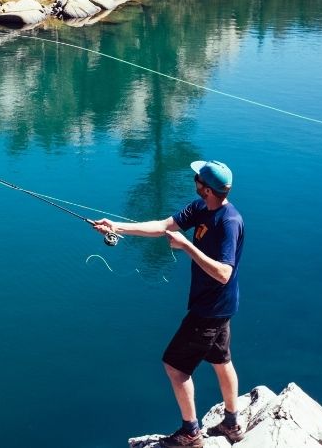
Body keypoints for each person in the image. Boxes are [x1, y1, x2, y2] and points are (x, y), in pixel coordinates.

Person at [93, 160, 246, 446]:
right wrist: (117, 227)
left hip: (210, 308)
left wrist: (187, 246)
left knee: (175, 367)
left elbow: (224, 273)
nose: (194, 179)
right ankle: (232, 423)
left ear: (207, 188)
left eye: (197, 177)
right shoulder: (202, 208)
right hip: (220, 306)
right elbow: (163, 226)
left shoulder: (228, 222)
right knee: (221, 359)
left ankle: (191, 433)